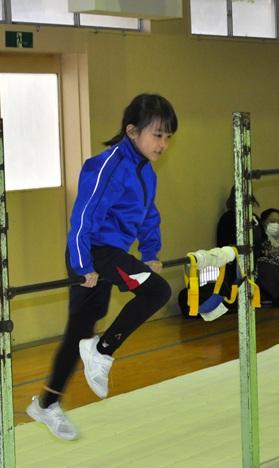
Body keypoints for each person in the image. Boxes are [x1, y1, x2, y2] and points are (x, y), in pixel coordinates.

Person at [26, 94, 176, 441]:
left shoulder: (145, 171)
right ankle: (102, 350)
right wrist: (82, 264)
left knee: (79, 330)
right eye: (157, 135)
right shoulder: (106, 165)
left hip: (112, 254)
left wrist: (150, 251)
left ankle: (47, 403)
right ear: (132, 131)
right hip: (92, 251)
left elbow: (149, 215)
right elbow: (82, 217)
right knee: (157, 291)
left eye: (168, 137)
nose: (163, 144)